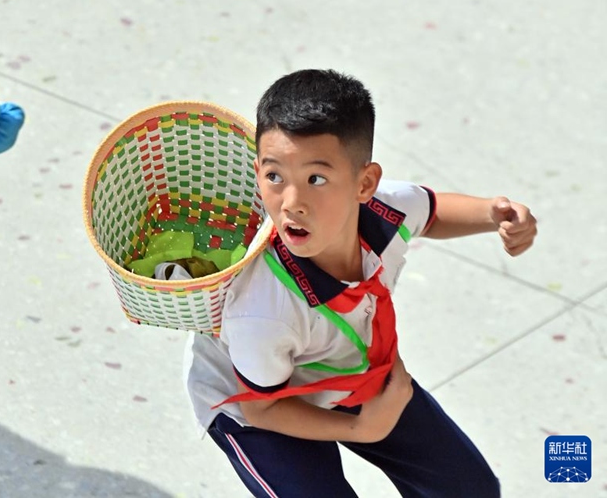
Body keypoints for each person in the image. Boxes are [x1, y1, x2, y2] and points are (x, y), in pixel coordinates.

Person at [183, 69, 537, 497]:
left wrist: (493, 213)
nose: (292, 204)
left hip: (344, 368)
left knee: (470, 491)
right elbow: (263, 409)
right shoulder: (262, 310)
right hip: (259, 402)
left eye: (316, 179)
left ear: (365, 183)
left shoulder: (386, 213)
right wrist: (361, 428)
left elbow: (432, 210)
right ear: (257, 171)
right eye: (275, 177)